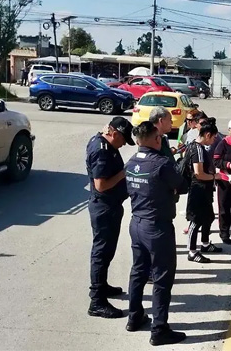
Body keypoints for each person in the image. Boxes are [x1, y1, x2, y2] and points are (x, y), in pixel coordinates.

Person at [125, 122, 186, 346]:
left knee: (138, 272)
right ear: (156, 139)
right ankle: (159, 329)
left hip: (136, 223)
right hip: (157, 227)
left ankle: (134, 317)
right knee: (162, 277)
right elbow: (182, 185)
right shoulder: (161, 163)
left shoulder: (131, 162)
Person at [85, 117, 134, 319]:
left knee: (107, 251)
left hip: (109, 206)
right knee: (102, 252)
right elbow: (101, 185)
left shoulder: (103, 143)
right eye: (123, 140)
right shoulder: (102, 150)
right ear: (114, 133)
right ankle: (97, 301)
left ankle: (102, 285)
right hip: (104, 207)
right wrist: (123, 173)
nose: (123, 144)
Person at [184, 123, 223, 263]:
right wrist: (214, 177)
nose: (213, 141)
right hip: (198, 189)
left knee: (208, 217)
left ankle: (205, 243)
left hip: (204, 189)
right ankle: (192, 251)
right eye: (213, 138)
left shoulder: (193, 146)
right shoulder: (198, 150)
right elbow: (198, 173)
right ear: (207, 135)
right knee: (196, 221)